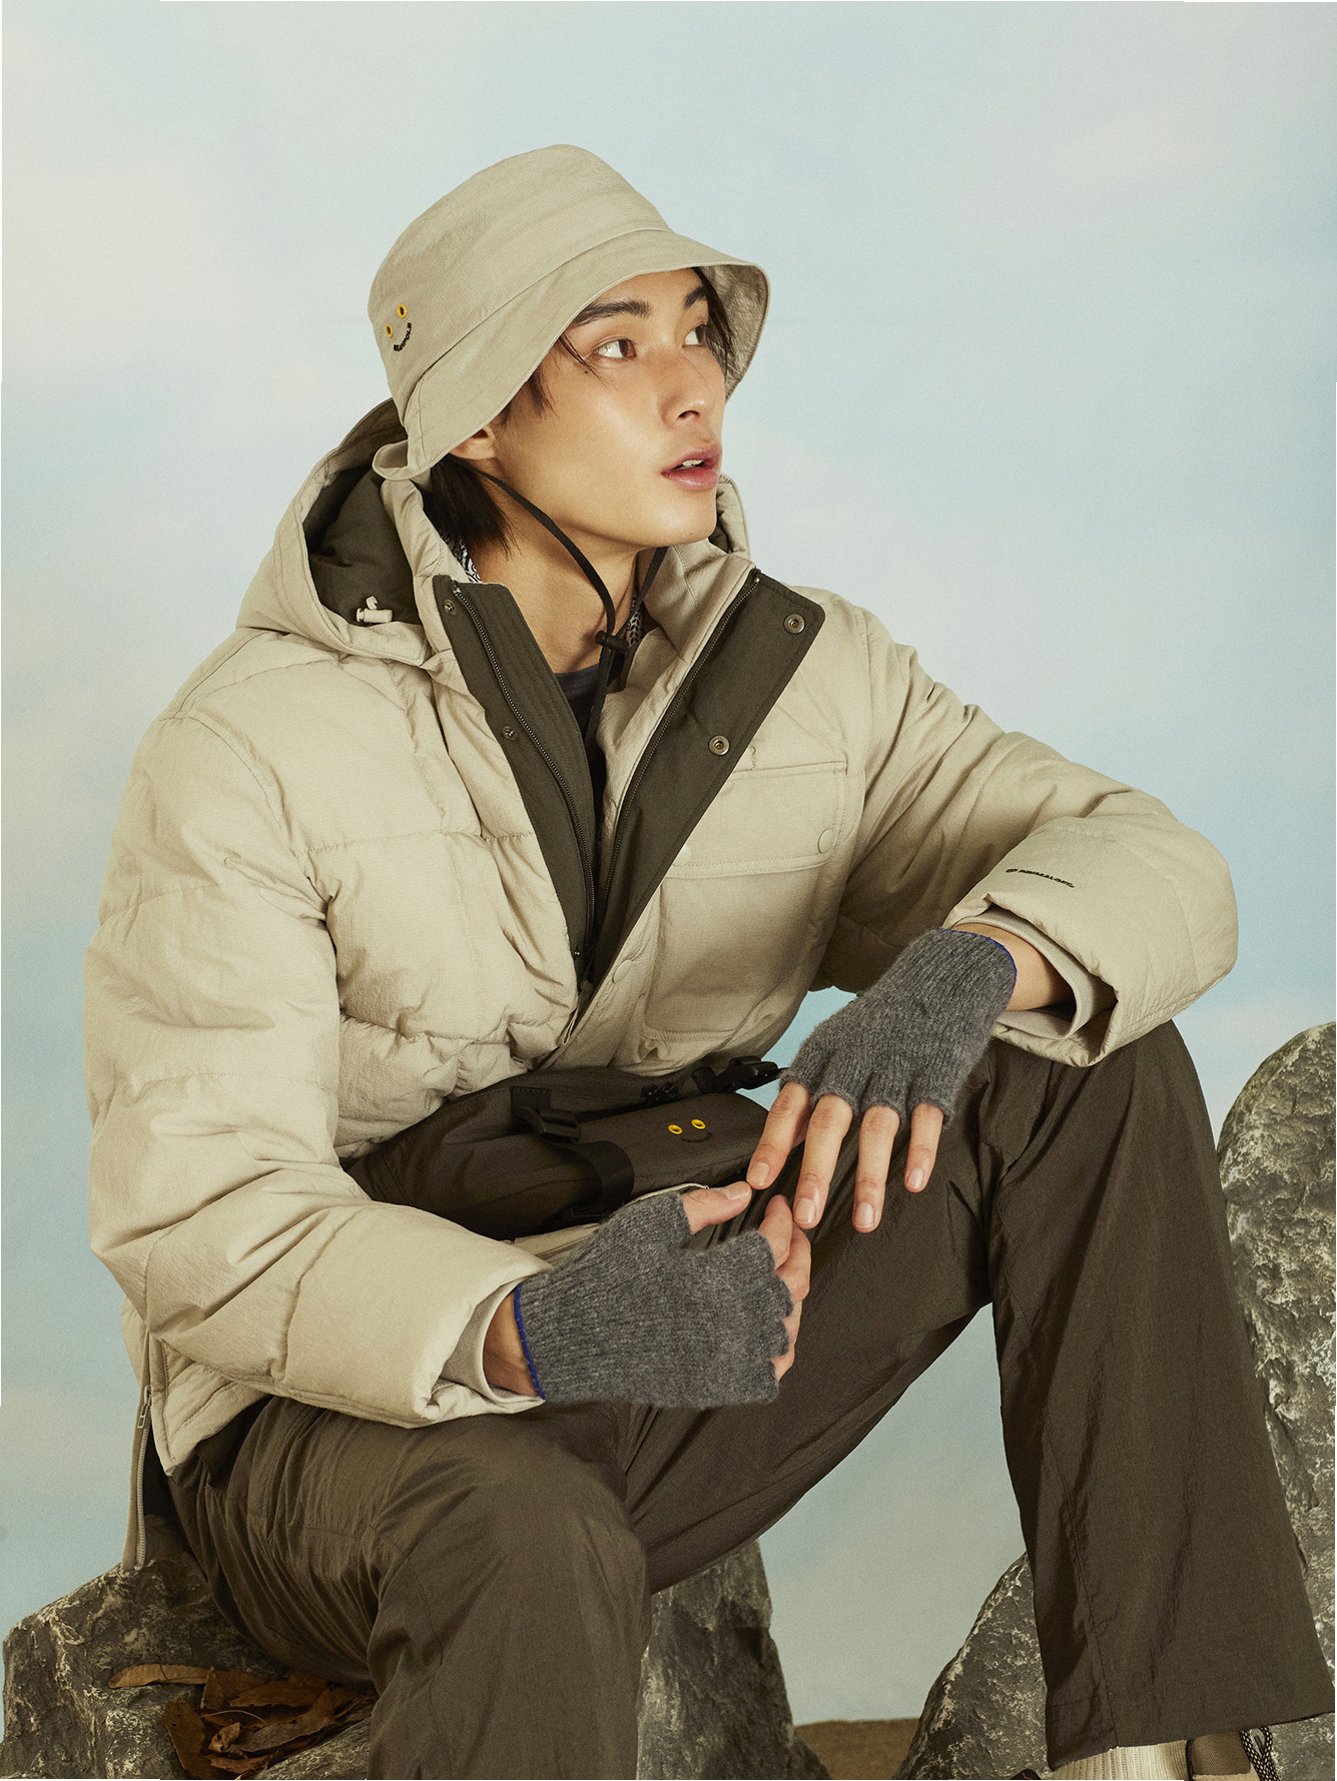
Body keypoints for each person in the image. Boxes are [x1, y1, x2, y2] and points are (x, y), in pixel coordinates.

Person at [83, 145, 1331, 1781]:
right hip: (345, 1424)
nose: (692, 386)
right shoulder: (245, 744)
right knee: (525, 1532)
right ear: (474, 418)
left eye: (696, 331)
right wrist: (534, 1328)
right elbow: (198, 1217)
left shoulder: (807, 674)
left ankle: (1146, 1761)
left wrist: (970, 962)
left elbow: (1149, 859)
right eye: (616, 344)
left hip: (694, 1303)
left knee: (1082, 1058)